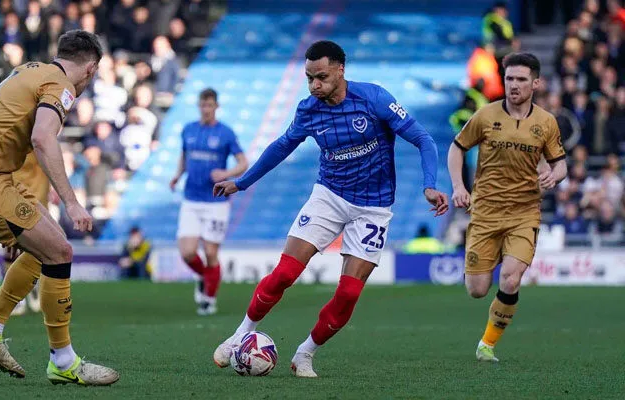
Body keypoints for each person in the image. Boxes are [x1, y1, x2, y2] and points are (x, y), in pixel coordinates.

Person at [210, 41, 449, 377]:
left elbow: (424, 139)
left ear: (340, 70)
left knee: (349, 293)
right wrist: (243, 181)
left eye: (321, 77)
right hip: (329, 197)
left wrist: (428, 184)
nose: (314, 85)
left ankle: (305, 354)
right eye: (309, 78)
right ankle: (238, 336)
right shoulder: (309, 110)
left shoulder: (374, 98)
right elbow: (281, 147)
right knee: (285, 274)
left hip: (374, 208)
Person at [0, 30, 119, 386]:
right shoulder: (61, 86)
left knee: (44, 245)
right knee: (60, 249)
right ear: (91, 69)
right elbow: (41, 137)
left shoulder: (29, 70)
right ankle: (64, 361)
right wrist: (71, 201)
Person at [448, 52, 567, 362]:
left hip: (524, 212)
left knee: (511, 278)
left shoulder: (546, 122)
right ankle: (493, 259)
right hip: (485, 211)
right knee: (477, 289)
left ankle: (487, 345)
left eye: (521, 79)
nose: (514, 85)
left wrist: (554, 175)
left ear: (536, 83)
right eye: (509, 78)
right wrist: (459, 187)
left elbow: (561, 164)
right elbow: (456, 148)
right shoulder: (485, 116)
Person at [169, 88, 247, 315]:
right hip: (191, 199)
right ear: (199, 106)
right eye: (202, 105)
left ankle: (208, 300)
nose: (205, 109)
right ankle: (204, 276)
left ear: (216, 106)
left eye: (209, 105)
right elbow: (184, 157)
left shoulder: (226, 133)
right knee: (187, 252)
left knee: (211, 252)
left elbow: (243, 162)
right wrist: (177, 175)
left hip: (216, 202)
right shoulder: (188, 130)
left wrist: (226, 173)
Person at [8, 152, 50, 316]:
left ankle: (33, 284)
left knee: (38, 248)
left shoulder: (41, 132)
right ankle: (15, 295)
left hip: (37, 199)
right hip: (12, 196)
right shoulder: (9, 137)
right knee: (11, 246)